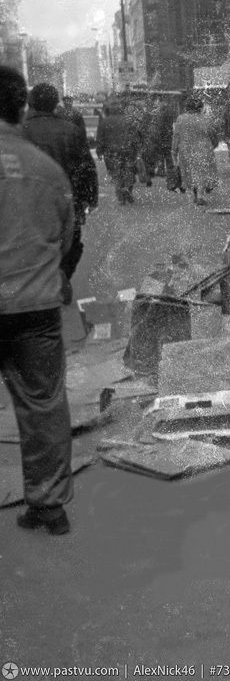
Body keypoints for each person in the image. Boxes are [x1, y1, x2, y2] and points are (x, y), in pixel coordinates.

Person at [0, 65, 76, 536]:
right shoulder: (46, 169)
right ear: (21, 107)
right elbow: (65, 237)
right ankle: (49, 506)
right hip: (36, 308)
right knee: (44, 406)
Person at [21, 83, 99, 287]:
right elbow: (86, 167)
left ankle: (44, 278)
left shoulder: (20, 132)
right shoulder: (71, 130)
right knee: (72, 240)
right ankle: (62, 272)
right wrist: (89, 199)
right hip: (68, 200)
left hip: (30, 202)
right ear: (56, 103)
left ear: (31, 103)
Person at [172, 92, 220, 205]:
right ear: (200, 107)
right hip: (203, 149)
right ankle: (200, 195)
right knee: (201, 173)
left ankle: (192, 195)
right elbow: (213, 135)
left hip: (185, 150)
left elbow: (176, 136)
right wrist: (214, 144)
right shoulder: (206, 119)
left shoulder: (181, 119)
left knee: (187, 172)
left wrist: (174, 151)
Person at [94, 97, 142, 206]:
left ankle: (121, 196)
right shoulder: (130, 120)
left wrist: (99, 151)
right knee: (128, 171)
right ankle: (128, 189)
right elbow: (136, 137)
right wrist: (138, 150)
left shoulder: (104, 122)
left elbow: (100, 139)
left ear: (110, 110)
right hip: (128, 151)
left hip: (111, 153)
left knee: (116, 174)